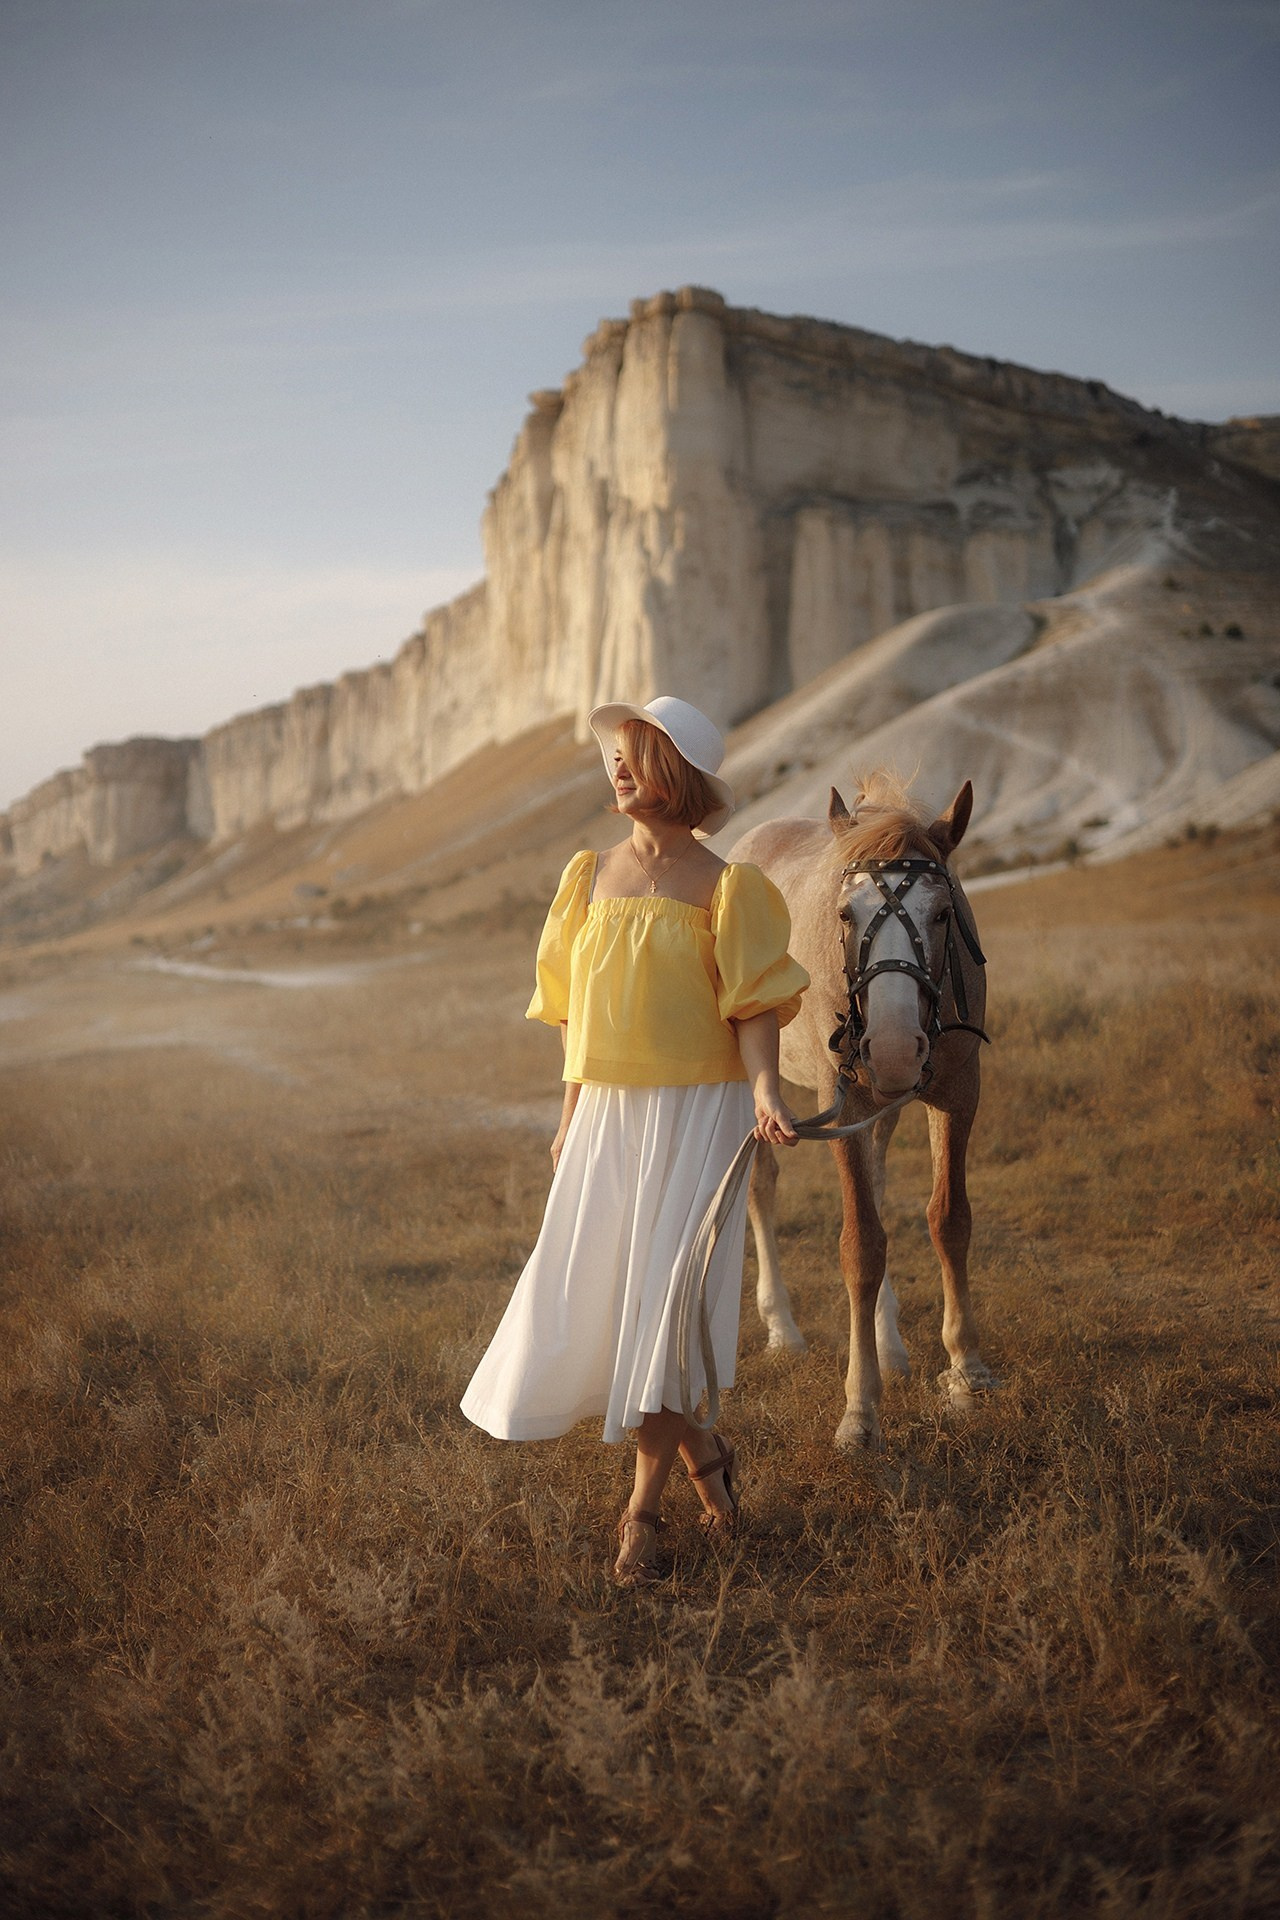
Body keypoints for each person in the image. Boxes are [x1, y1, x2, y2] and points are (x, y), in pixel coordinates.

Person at [460, 695, 808, 1589]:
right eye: (615, 752)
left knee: (667, 1309)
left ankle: (641, 1514)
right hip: (609, 1115)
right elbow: (571, 1014)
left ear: (679, 775)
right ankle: (709, 1462)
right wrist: (568, 1112)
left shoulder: (732, 888)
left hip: (701, 1113)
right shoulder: (585, 877)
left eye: (640, 752)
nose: (618, 765)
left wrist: (766, 1088)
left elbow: (756, 1008)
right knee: (615, 1305)